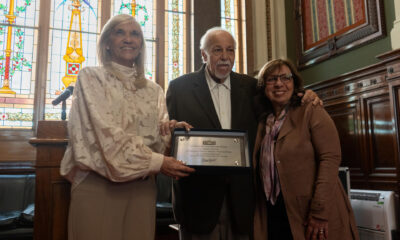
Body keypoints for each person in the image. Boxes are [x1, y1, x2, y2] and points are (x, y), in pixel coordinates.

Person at [166, 27, 321, 240]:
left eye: (230, 50)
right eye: (217, 50)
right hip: (198, 201)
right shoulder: (179, 88)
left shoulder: (251, 87)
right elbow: (168, 138)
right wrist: (169, 132)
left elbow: (280, 100)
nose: (225, 57)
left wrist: (306, 95)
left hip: (243, 201)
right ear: (204, 55)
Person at [60, 14, 194, 240]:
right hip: (98, 185)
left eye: (135, 34)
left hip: (142, 189)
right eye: (119, 32)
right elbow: (106, 135)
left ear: (141, 45)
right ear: (107, 43)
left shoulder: (154, 90)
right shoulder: (91, 78)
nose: (128, 39)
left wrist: (171, 133)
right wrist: (159, 161)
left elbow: (158, 147)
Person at [252, 59, 359, 240]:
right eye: (272, 79)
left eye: (286, 78)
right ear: (264, 86)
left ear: (295, 82)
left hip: (312, 213)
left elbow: (330, 158)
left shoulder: (311, 109)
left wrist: (319, 211)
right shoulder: (263, 122)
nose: (279, 84)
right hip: (274, 213)